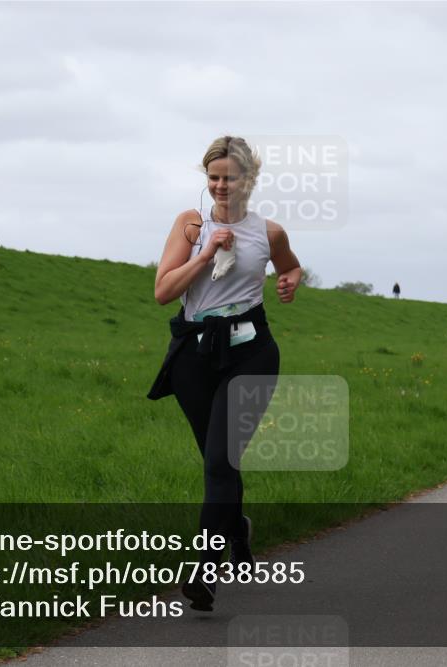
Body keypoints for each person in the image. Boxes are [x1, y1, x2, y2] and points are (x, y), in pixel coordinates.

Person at [147, 136, 302, 611]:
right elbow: (163, 292)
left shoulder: (269, 233)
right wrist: (205, 253)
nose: (219, 186)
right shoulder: (190, 225)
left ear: (248, 179)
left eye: (229, 178)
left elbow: (291, 268)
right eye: (213, 177)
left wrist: (290, 281)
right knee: (220, 463)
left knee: (219, 461)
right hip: (194, 355)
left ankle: (205, 571)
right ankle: (237, 530)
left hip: (251, 355)